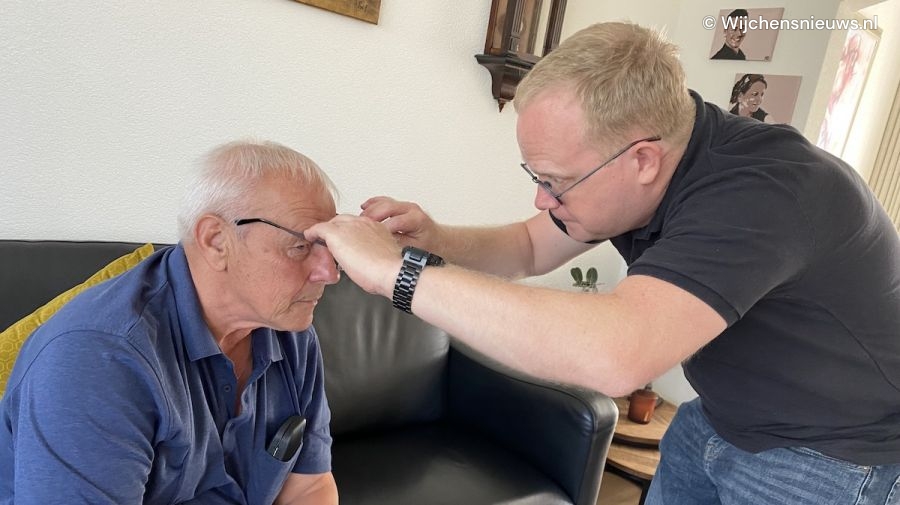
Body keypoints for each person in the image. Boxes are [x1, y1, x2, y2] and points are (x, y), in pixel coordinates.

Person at [305, 22, 900, 504]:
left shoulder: (767, 193)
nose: (543, 200)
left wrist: (395, 275)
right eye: (535, 177)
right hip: (719, 418)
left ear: (642, 160)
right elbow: (529, 246)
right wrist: (434, 239)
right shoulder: (654, 160)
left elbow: (617, 357)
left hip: (831, 456)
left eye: (555, 181)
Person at [0, 140, 341, 504]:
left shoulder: (288, 331)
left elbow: (309, 487)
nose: (330, 273)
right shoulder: (96, 359)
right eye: (301, 247)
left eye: (329, 247)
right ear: (216, 241)